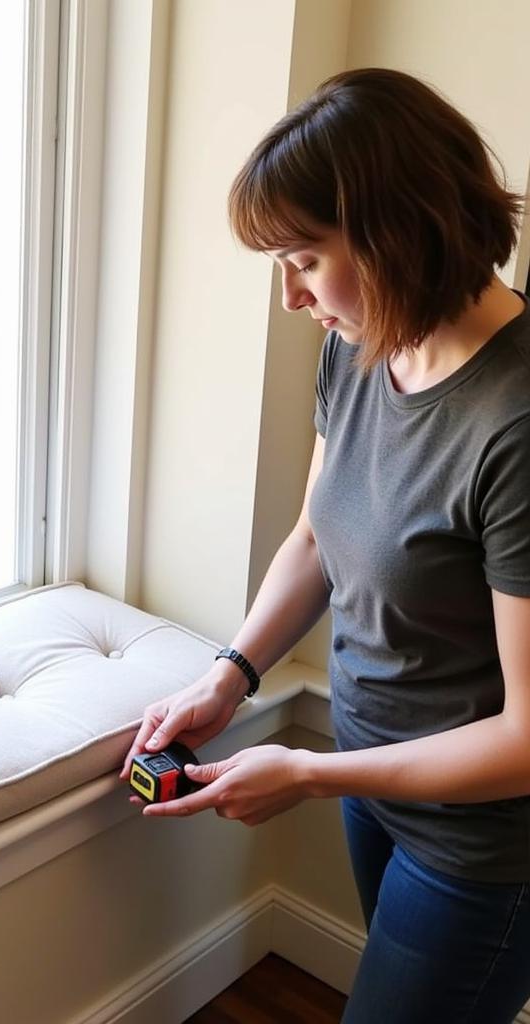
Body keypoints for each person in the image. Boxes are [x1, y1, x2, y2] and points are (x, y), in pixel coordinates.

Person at [120, 67, 530, 1023]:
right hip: (375, 775)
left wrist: (305, 774)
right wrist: (234, 671)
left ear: (398, 229)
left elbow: (526, 738)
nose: (292, 299)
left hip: (484, 846)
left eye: (303, 260)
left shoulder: (514, 424)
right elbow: (315, 534)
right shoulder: (361, 344)